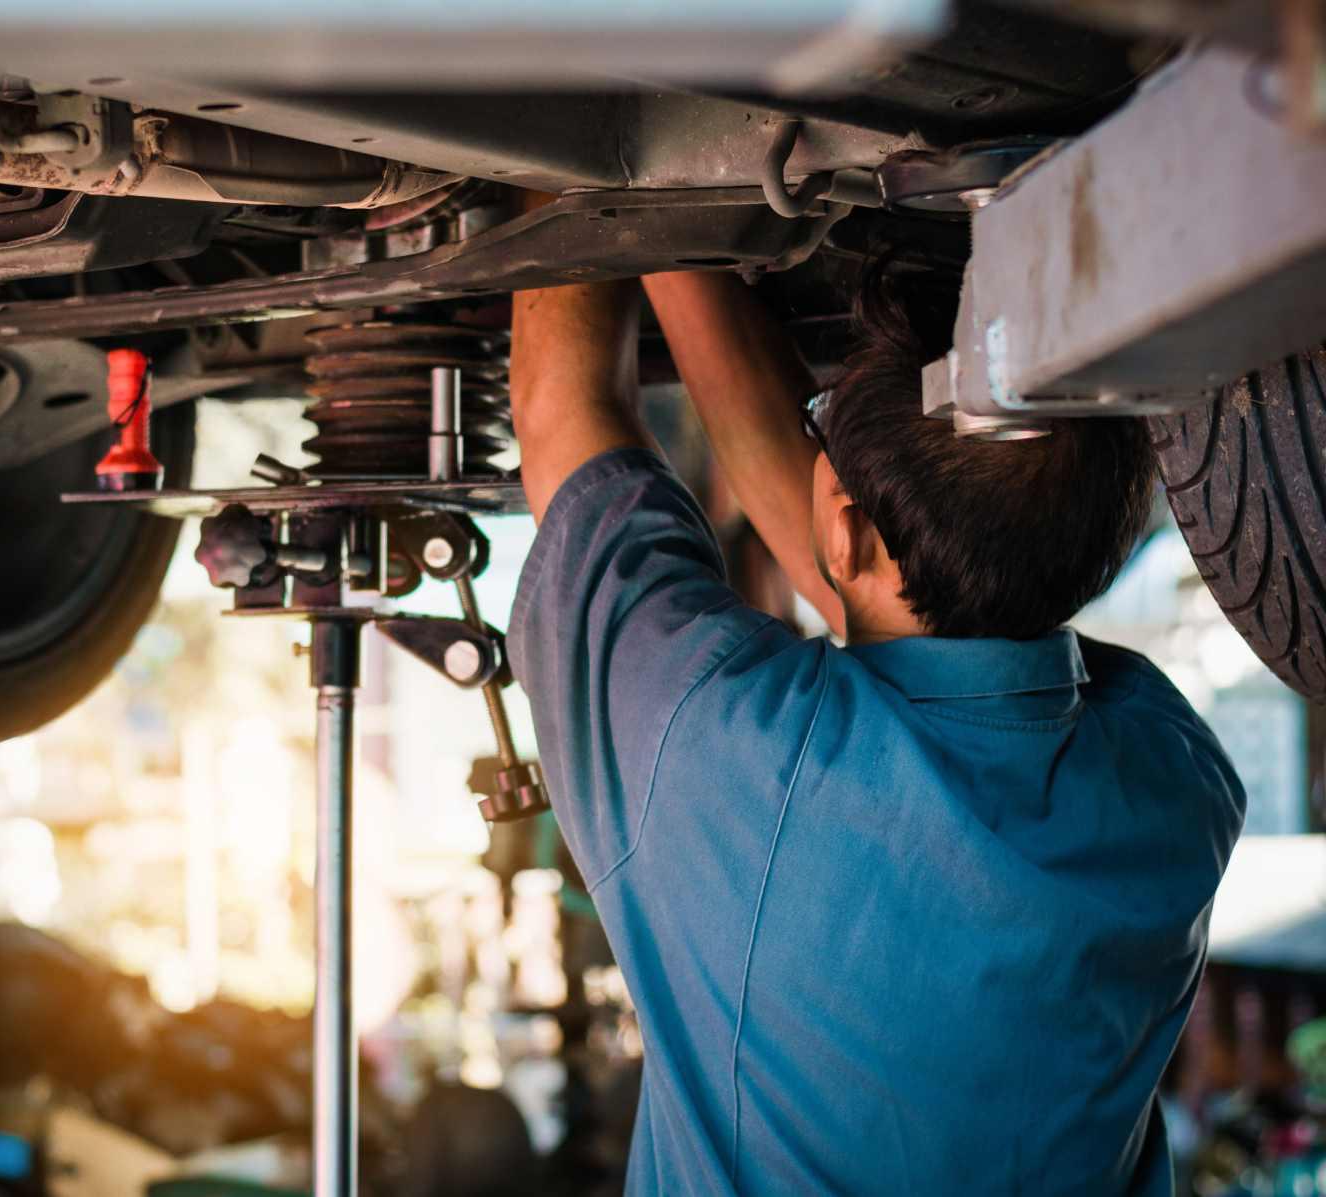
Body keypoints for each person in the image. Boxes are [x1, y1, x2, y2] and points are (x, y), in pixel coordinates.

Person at [505, 268, 1245, 1195]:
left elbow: (895, 592)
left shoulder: (1175, 779)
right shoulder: (1173, 789)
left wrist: (659, 216)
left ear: (845, 533)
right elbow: (564, 413)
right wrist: (632, 214)